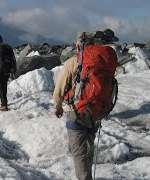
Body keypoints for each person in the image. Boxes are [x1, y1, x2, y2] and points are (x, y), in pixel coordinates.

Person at [53, 32, 100, 180]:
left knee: (79, 153)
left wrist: (57, 106)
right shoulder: (99, 62)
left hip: (76, 112)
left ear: (77, 45)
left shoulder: (72, 63)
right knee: (88, 150)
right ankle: (88, 176)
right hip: (95, 113)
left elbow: (59, 88)